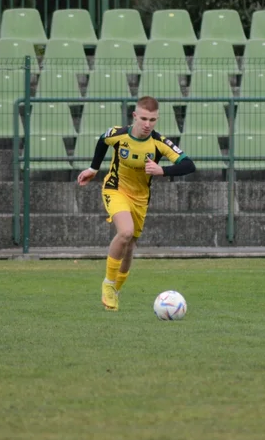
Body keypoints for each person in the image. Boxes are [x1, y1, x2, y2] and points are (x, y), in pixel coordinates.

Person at [76, 95, 196, 311]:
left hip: (140, 199)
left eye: (153, 120)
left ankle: (116, 289)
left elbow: (189, 165)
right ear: (134, 116)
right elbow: (103, 141)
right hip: (115, 189)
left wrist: (163, 170)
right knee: (125, 232)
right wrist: (93, 169)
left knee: (130, 246)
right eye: (144, 119)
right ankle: (108, 284)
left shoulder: (159, 143)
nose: (148, 124)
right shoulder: (119, 134)